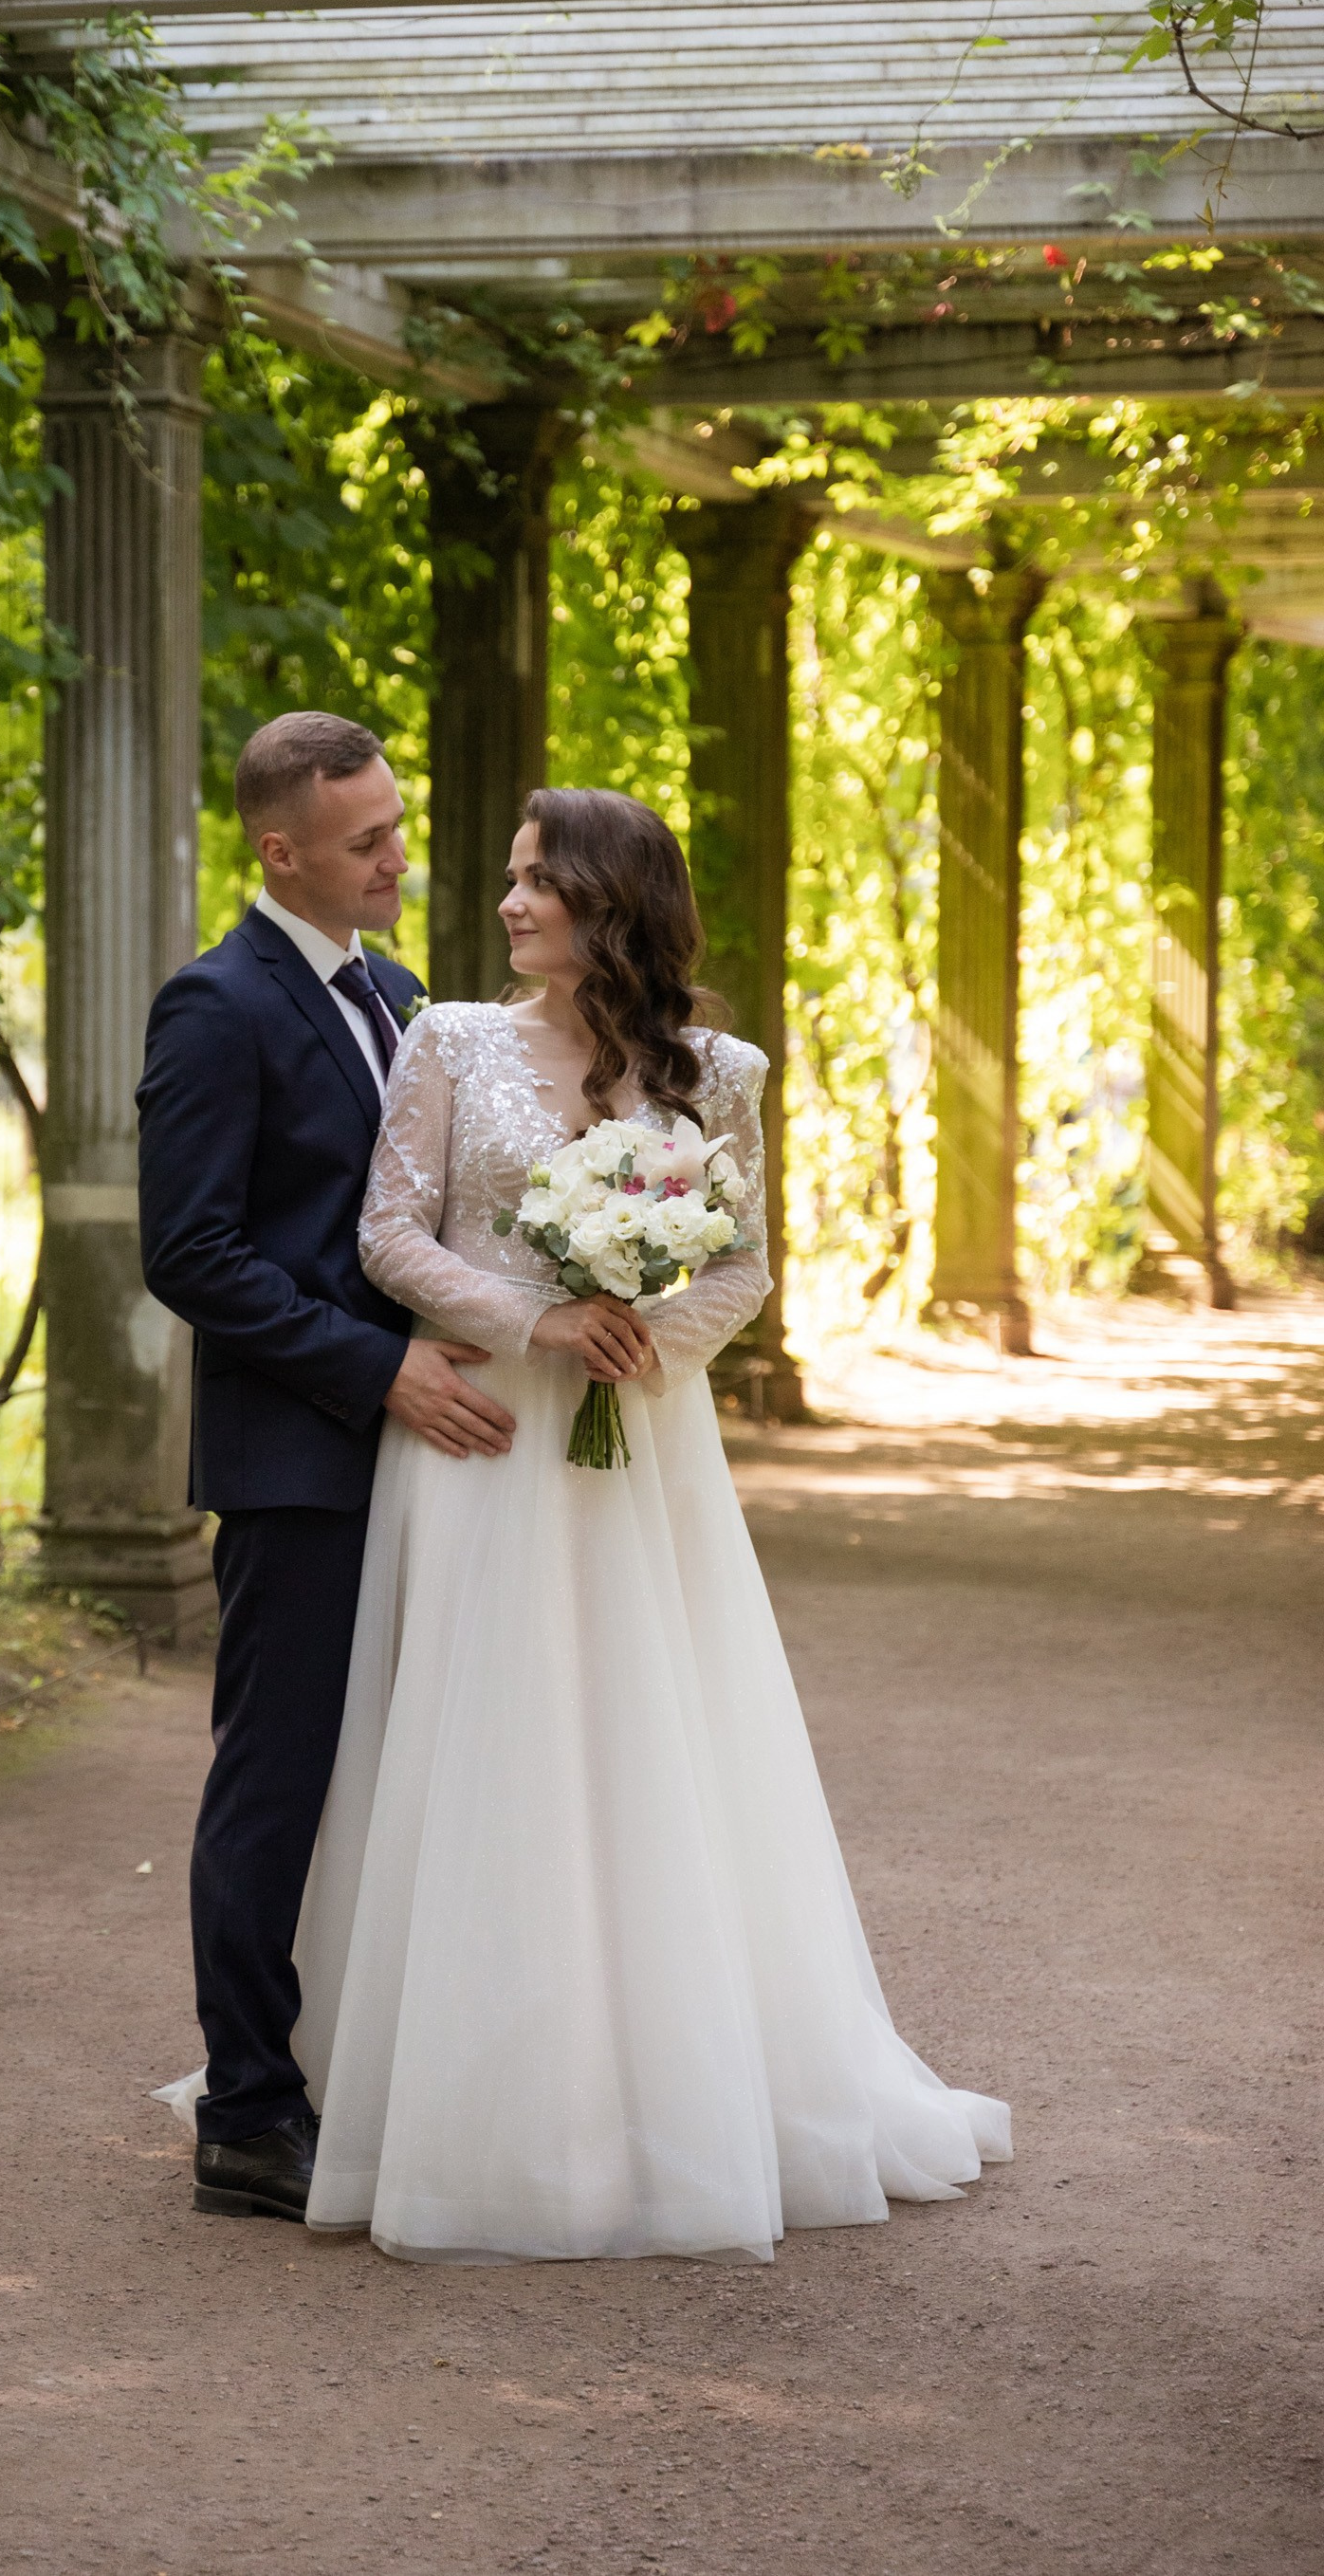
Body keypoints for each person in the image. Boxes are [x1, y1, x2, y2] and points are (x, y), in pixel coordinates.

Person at [289, 784, 1011, 2261]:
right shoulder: (450, 1041)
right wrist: (538, 1320)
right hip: (485, 1432)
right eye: (510, 877)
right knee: (484, 1744)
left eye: (536, 879)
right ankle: (465, 2098)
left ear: (610, 901)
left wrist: (646, 1340)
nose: (507, 902)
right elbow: (388, 1233)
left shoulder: (720, 1072)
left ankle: (663, 2088)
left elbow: (742, 1266)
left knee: (644, 1734)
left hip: (641, 1450)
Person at [137, 712, 518, 2223]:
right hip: (299, 1463)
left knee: (402, 1776)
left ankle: (371, 2065)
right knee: (276, 1785)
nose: (399, 858)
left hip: (430, 1459)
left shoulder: (403, 999)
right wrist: (377, 1369)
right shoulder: (214, 1005)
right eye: (367, 841)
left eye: (398, 826)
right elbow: (192, 1252)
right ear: (279, 850)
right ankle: (245, 2111)